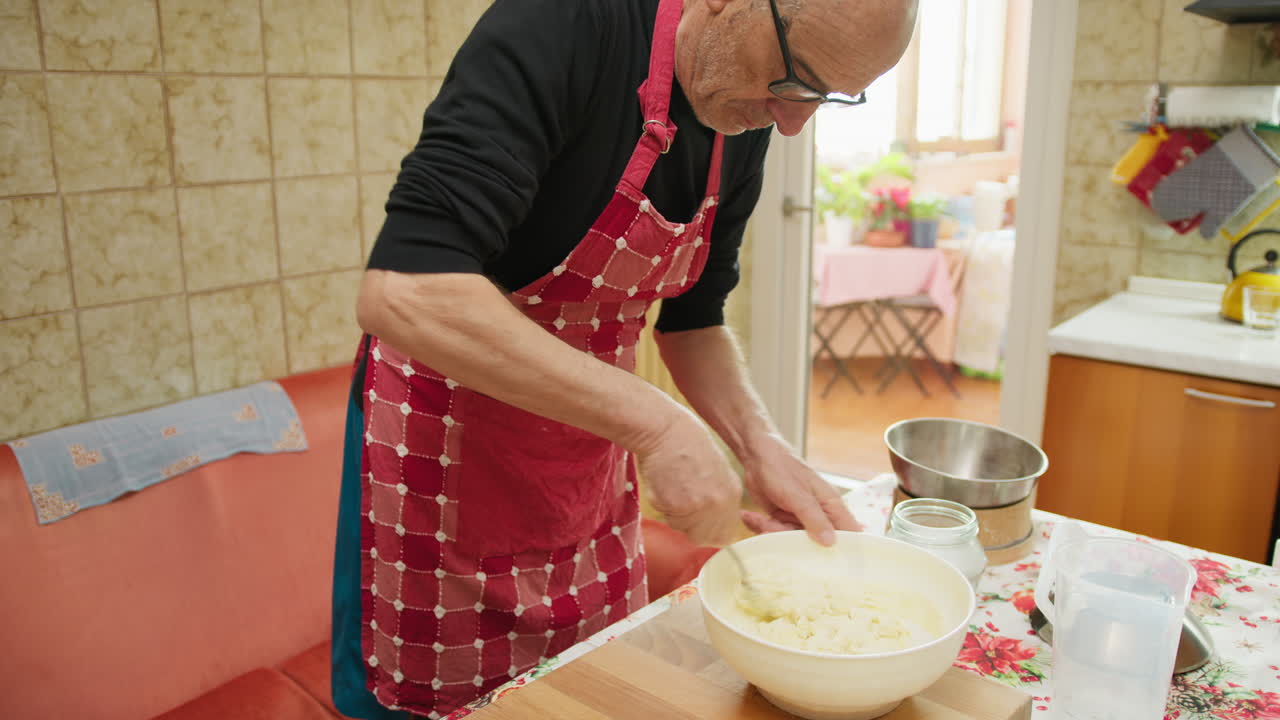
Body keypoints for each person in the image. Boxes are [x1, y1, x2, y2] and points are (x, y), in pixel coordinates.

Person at [331, 0, 917, 716]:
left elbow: (694, 322)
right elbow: (407, 291)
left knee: (586, 691)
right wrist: (659, 426)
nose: (793, 120)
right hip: (443, 460)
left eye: (825, 96)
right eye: (793, 79)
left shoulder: (746, 120)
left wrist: (757, 446)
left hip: (583, 462)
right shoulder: (566, 25)